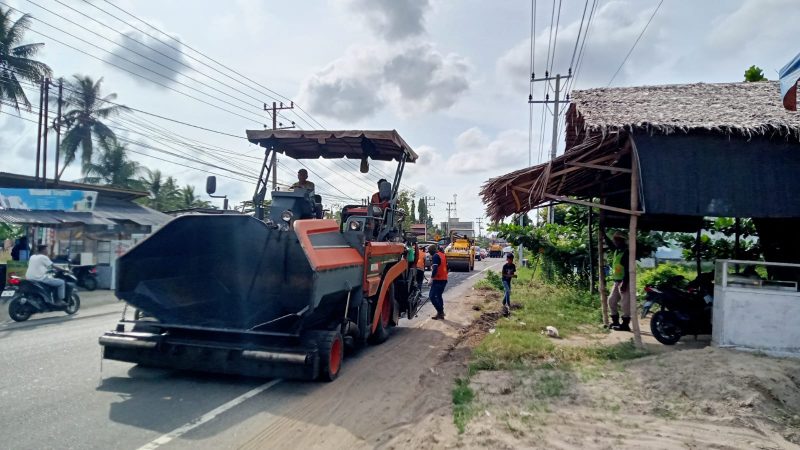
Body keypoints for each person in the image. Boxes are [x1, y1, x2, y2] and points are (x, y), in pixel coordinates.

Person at [606, 232, 631, 331]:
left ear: (622, 241)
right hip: (617, 281)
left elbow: (628, 269)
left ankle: (625, 324)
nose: (614, 241)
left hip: (625, 281)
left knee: (625, 304)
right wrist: (604, 235)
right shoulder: (617, 251)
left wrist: (624, 283)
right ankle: (615, 321)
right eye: (614, 240)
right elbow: (610, 244)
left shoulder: (626, 252)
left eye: (617, 240)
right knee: (611, 300)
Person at [428, 244, 448, 320]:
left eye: (429, 252)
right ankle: (441, 313)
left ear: (431, 251)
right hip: (444, 279)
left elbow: (435, 268)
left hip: (438, 279)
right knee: (438, 296)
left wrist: (431, 279)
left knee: (432, 296)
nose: (429, 253)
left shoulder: (435, 256)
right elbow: (447, 267)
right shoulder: (443, 255)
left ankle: (440, 312)